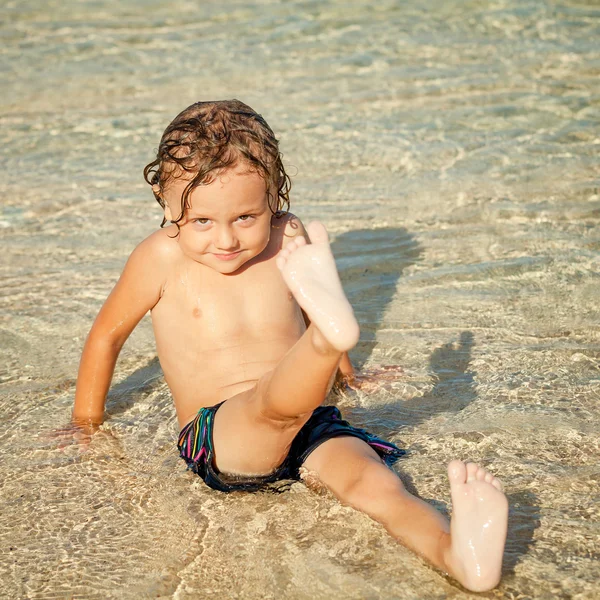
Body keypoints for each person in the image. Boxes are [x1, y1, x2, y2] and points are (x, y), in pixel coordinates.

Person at [71, 100, 508, 592]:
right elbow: (107, 336)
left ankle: (459, 555)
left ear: (275, 195)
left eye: (245, 216)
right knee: (269, 407)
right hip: (221, 433)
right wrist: (86, 423)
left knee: (377, 486)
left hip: (310, 421)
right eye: (202, 222)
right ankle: (327, 343)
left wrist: (348, 374)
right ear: (165, 202)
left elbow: (308, 310)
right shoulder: (159, 258)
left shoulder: (287, 237)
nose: (227, 238)